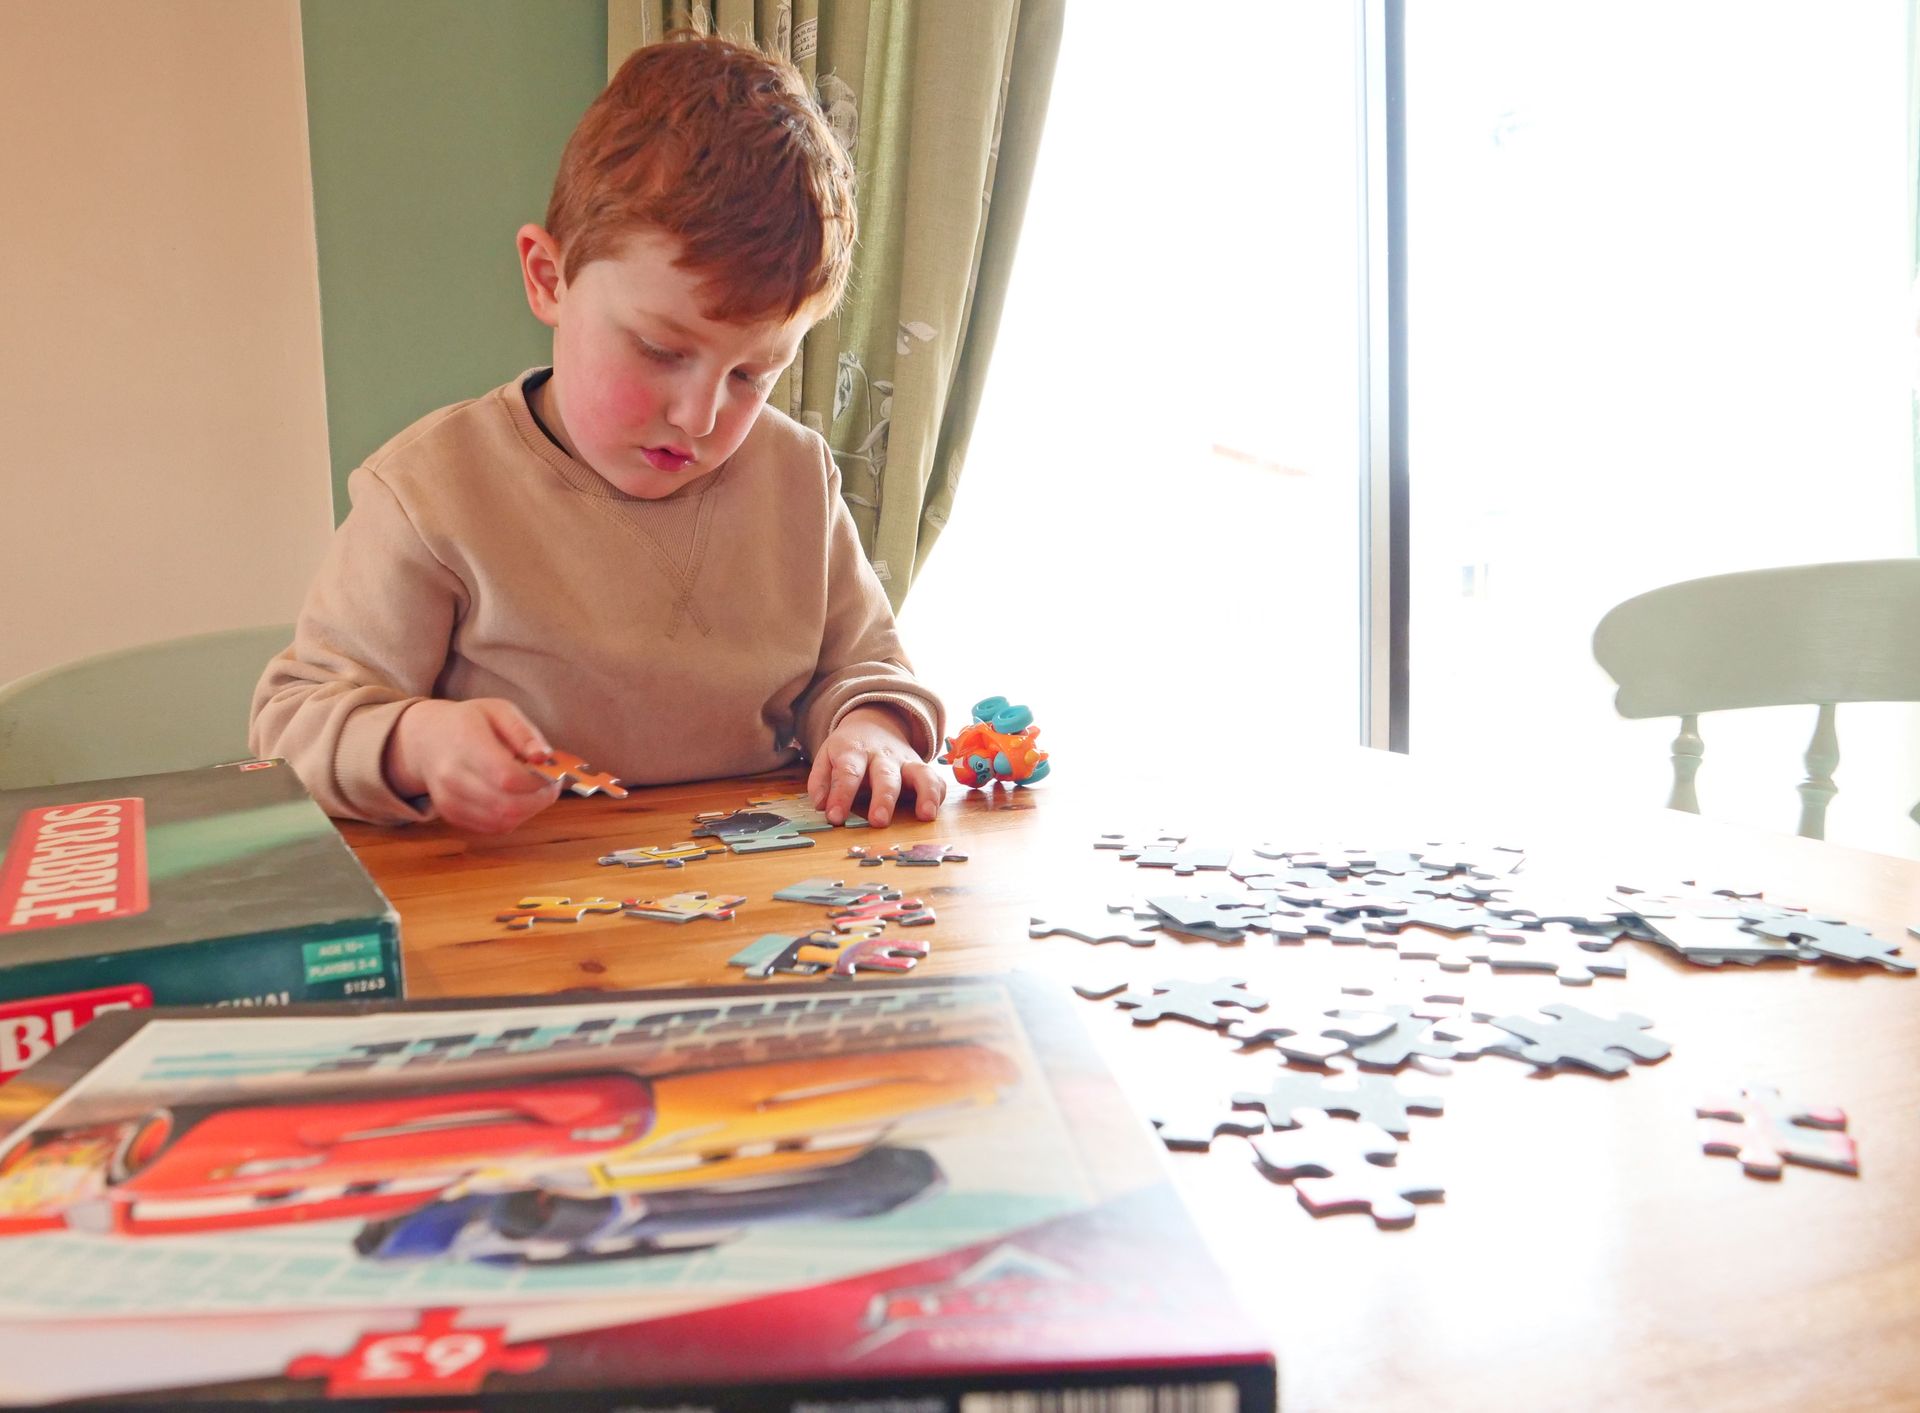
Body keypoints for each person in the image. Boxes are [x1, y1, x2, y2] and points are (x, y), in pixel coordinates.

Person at [250, 34, 946, 835]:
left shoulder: (797, 477)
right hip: (504, 913)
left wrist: (871, 731)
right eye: (659, 350)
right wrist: (413, 740)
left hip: (756, 909)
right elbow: (290, 724)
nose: (700, 415)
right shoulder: (427, 493)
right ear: (549, 279)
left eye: (752, 375)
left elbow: (865, 667)